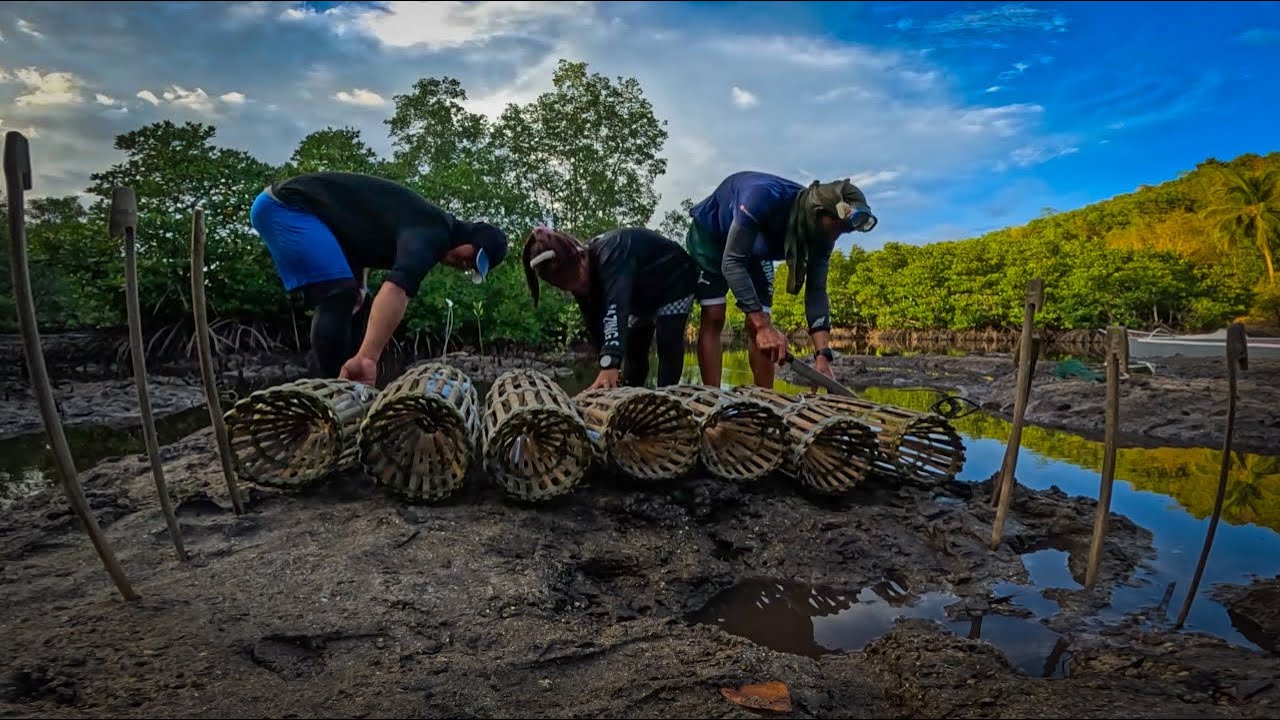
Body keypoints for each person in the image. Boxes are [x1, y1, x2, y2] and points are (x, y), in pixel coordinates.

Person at [249, 171, 509, 386]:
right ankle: (331, 388)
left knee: (357, 299)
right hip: (286, 206)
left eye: (471, 267)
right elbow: (397, 289)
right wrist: (368, 358)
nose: (464, 264)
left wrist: (360, 285)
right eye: (471, 257)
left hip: (321, 221)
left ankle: (348, 385)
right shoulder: (433, 232)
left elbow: (359, 239)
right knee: (338, 294)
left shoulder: (427, 230)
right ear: (471, 238)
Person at [685, 171, 876, 388]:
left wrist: (822, 356)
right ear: (817, 212)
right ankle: (713, 398)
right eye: (836, 228)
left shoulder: (823, 237)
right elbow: (732, 263)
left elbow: (816, 291)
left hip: (756, 250)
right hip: (712, 235)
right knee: (715, 315)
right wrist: (763, 326)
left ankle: (765, 402)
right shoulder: (761, 196)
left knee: (759, 324)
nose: (835, 237)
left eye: (844, 233)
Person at [522, 225, 698, 390]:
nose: (580, 287)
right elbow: (594, 322)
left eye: (579, 278)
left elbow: (615, 306)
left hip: (674, 280)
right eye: (572, 287)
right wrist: (605, 362)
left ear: (581, 255)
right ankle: (631, 403)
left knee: (668, 340)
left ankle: (667, 399)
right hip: (640, 296)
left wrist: (610, 362)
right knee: (634, 352)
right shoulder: (577, 280)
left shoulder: (612, 252)